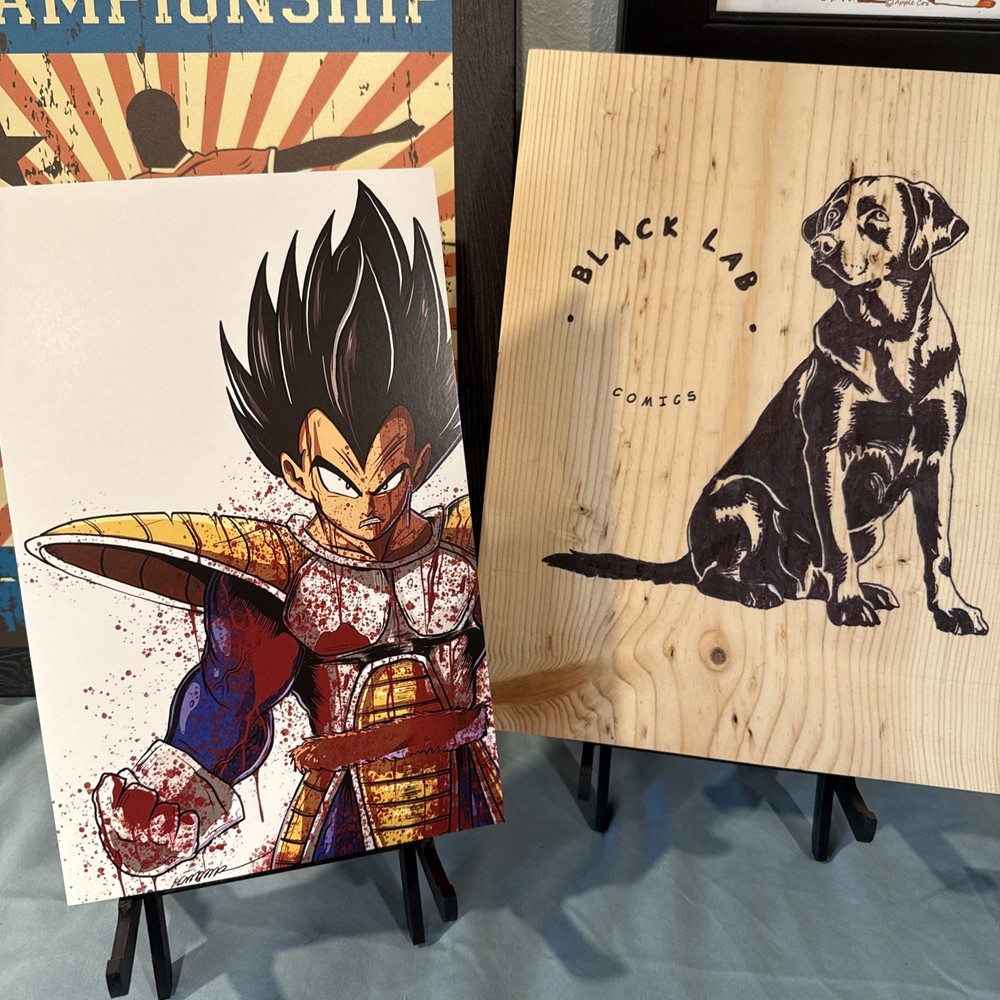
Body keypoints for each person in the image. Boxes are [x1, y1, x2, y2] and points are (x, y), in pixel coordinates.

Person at [30, 182, 501, 879]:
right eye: (340, 479)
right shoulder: (285, 574)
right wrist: (172, 800)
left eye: (390, 475)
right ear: (296, 471)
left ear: (424, 459)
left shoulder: (462, 540)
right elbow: (231, 693)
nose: (369, 505)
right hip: (341, 806)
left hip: (467, 781)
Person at [126, 88, 424, 179]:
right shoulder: (136, 189)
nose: (139, 142)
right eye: (136, 133)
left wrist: (383, 137)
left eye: (143, 132)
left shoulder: (220, 167)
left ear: (170, 128)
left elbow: (308, 155)